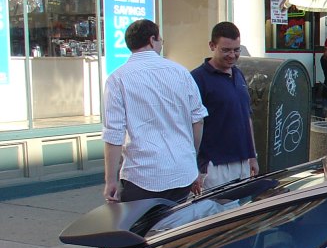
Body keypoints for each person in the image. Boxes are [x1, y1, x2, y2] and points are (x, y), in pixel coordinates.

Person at [102, 19, 207, 203]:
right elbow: (198, 120)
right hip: (182, 172)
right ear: (152, 40)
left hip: (142, 175)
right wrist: (192, 160)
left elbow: (114, 135)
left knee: (141, 230)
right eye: (160, 40)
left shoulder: (117, 79)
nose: (160, 44)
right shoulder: (181, 73)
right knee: (179, 228)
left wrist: (111, 180)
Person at [192, 21, 259, 191]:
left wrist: (252, 156)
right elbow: (190, 124)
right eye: (226, 50)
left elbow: (247, 117)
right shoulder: (196, 79)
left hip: (243, 162)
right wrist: (193, 167)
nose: (232, 55)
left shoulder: (238, 74)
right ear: (212, 46)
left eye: (236, 50)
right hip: (214, 166)